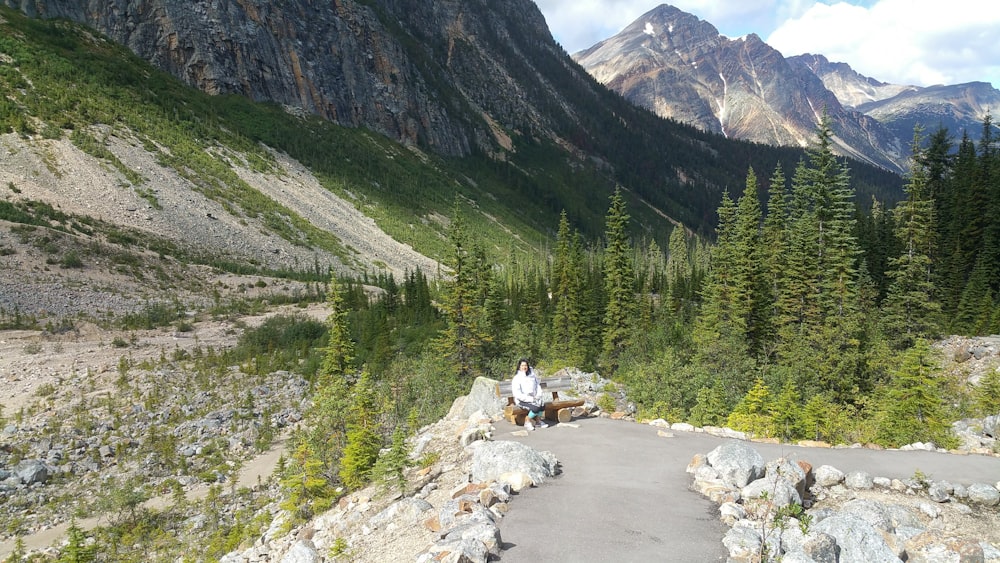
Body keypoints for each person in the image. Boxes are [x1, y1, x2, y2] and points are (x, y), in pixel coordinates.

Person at [512, 358, 548, 430]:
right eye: (522, 365)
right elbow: (517, 394)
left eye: (525, 365)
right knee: (535, 407)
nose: (524, 367)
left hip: (533, 397)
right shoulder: (517, 378)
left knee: (542, 405)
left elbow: (537, 386)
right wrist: (530, 399)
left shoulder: (532, 376)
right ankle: (527, 421)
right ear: (519, 367)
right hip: (522, 400)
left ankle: (538, 421)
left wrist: (538, 395)